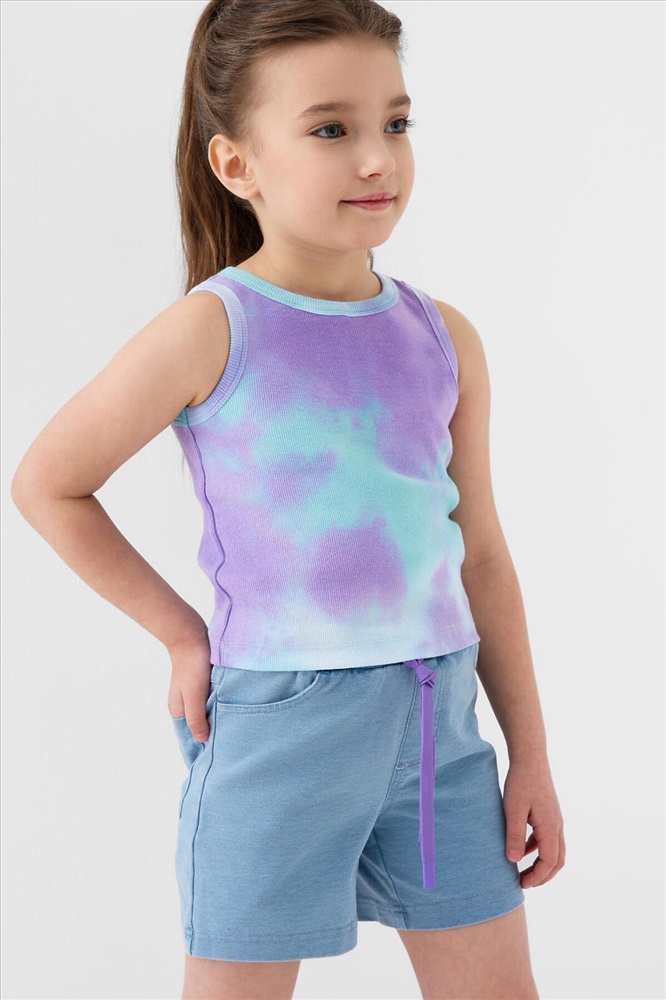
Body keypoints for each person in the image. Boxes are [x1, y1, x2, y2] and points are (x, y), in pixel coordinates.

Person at [10, 1, 565, 997]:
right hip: (280, 732)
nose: (377, 158)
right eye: (331, 128)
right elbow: (50, 483)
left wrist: (531, 756)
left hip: (438, 732)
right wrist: (182, 635)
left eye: (396, 122)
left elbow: (479, 551)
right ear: (237, 165)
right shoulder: (211, 330)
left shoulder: (444, 338)